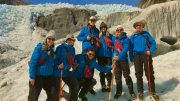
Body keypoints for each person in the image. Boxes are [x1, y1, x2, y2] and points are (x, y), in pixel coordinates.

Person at [129, 21, 159, 101]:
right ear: (135, 27)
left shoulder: (146, 34)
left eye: (140, 25)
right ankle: (140, 92)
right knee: (138, 75)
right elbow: (131, 48)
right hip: (137, 56)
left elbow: (153, 42)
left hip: (146, 55)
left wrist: (151, 51)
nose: (138, 26)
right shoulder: (133, 36)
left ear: (142, 26)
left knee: (149, 73)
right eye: (137, 25)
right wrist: (131, 58)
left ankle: (152, 91)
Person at [28, 30, 56, 101]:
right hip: (38, 76)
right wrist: (32, 77)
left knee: (53, 93)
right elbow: (33, 62)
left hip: (48, 77)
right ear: (46, 39)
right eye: (49, 38)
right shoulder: (39, 48)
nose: (51, 40)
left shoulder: (52, 50)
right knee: (33, 98)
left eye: (52, 39)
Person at [52, 34, 79, 101]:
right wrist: (58, 65)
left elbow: (71, 59)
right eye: (69, 39)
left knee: (75, 85)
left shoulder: (72, 49)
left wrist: (74, 64)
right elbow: (54, 59)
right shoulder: (60, 48)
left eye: (72, 40)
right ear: (66, 40)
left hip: (66, 71)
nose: (70, 41)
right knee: (56, 91)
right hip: (58, 72)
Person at [112, 25, 136, 100]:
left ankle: (131, 91)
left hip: (123, 60)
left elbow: (126, 49)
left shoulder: (126, 39)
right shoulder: (114, 38)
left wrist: (118, 56)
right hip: (116, 60)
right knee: (117, 77)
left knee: (126, 75)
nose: (119, 31)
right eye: (118, 30)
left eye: (120, 29)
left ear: (123, 30)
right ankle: (118, 91)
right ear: (116, 31)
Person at [77, 16, 100, 94]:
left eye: (94, 20)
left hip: (94, 51)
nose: (92, 21)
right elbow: (78, 38)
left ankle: (89, 86)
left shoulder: (97, 31)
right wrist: (86, 38)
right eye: (91, 20)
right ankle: (81, 85)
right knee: (83, 67)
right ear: (89, 21)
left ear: (95, 22)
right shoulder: (84, 29)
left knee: (91, 68)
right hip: (86, 50)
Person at [97, 22, 113, 92]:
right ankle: (103, 85)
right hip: (100, 56)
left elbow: (116, 41)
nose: (103, 28)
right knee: (102, 72)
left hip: (108, 55)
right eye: (102, 27)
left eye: (104, 27)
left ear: (106, 28)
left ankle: (109, 84)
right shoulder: (98, 36)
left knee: (108, 71)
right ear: (100, 28)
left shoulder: (110, 35)